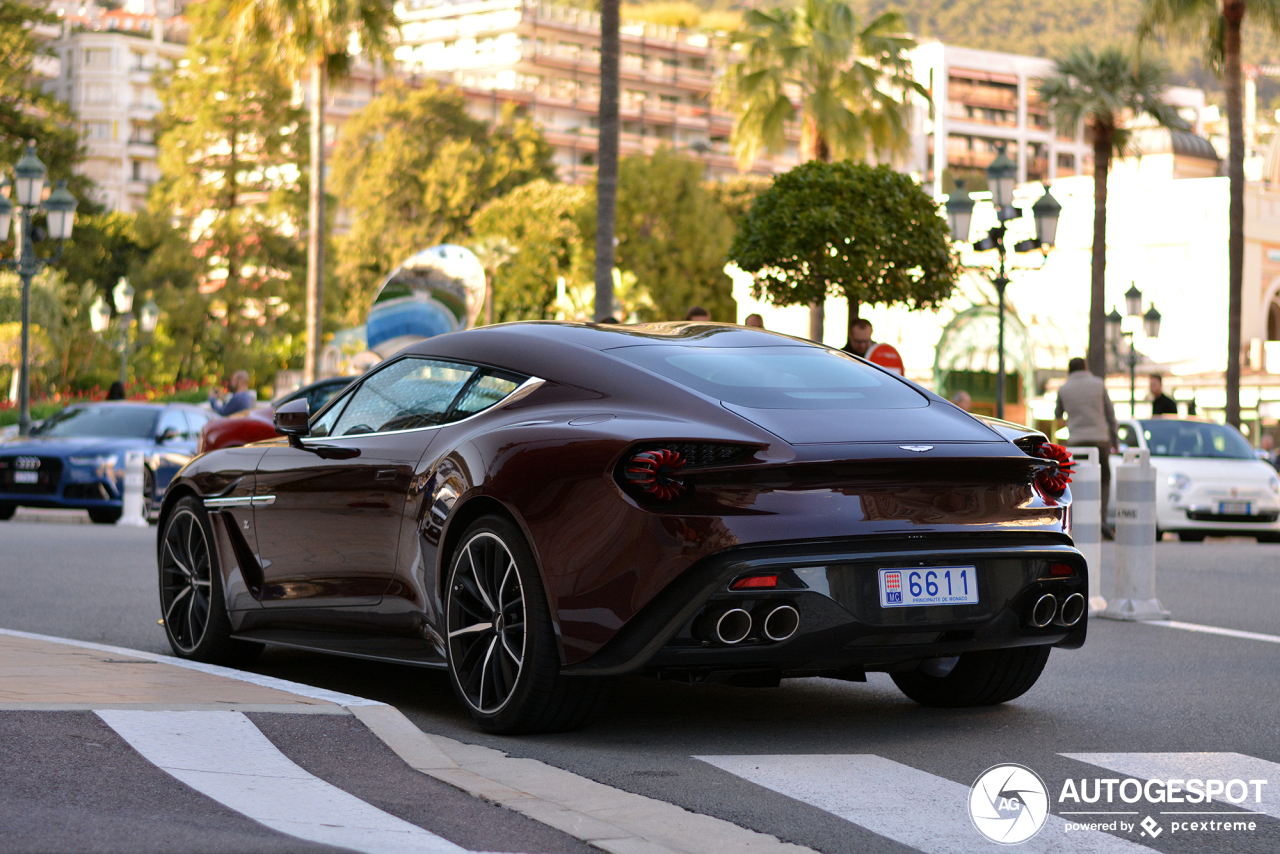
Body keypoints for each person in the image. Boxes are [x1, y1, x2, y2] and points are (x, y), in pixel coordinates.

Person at [1055, 357, 1118, 537]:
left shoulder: (1063, 389)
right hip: (1100, 442)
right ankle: (1102, 521)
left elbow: (1058, 414)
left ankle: (1076, 520)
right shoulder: (1099, 385)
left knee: (1075, 481)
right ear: (1086, 367)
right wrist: (1115, 441)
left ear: (1069, 370)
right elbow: (1110, 415)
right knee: (1104, 479)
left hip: (1075, 443)